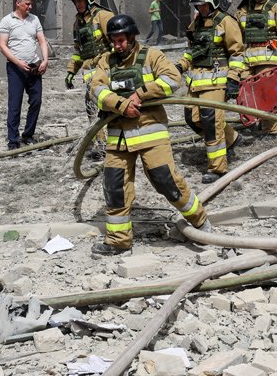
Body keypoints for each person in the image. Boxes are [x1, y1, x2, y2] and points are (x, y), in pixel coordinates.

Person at [88, 13, 211, 254]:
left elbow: (173, 79)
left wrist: (141, 93)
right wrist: (120, 104)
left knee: (167, 182)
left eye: (121, 40)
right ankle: (119, 241)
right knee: (115, 188)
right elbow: (96, 88)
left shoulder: (152, 56)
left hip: (150, 133)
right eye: (113, 40)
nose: (117, 45)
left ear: (132, 37)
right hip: (118, 138)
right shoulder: (106, 61)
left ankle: (201, 223)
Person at [178, 0, 247, 183]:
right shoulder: (196, 24)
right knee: (191, 117)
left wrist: (234, 79)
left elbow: (237, 53)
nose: (201, 9)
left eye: (205, 5)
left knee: (211, 122)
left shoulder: (226, 22)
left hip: (217, 81)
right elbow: (191, 51)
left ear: (214, 3)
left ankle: (217, 168)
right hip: (196, 82)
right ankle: (231, 138)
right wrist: (180, 66)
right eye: (198, 6)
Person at [236, 0, 277, 137]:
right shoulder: (242, 11)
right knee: (247, 93)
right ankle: (255, 122)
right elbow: (237, 35)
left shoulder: (275, 8)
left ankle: (271, 129)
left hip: (268, 58)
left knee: (267, 94)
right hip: (247, 59)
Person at [64, 0, 114, 160]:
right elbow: (79, 51)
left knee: (108, 108)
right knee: (92, 110)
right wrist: (71, 71)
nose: (77, 4)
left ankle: (114, 144)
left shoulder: (104, 16)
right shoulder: (77, 23)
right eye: (75, 1)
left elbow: (118, 43)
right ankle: (101, 145)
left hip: (107, 71)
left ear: (89, 0)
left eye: (80, 1)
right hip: (89, 73)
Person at [0, 0, 49, 150]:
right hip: (16, 69)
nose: (30, 7)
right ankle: (13, 141)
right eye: (27, 4)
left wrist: (45, 60)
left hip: (34, 67)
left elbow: (41, 40)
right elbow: (2, 45)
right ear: (18, 3)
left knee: (36, 100)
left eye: (31, 4)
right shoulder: (7, 21)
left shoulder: (34, 20)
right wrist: (18, 62)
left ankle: (28, 135)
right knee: (15, 105)